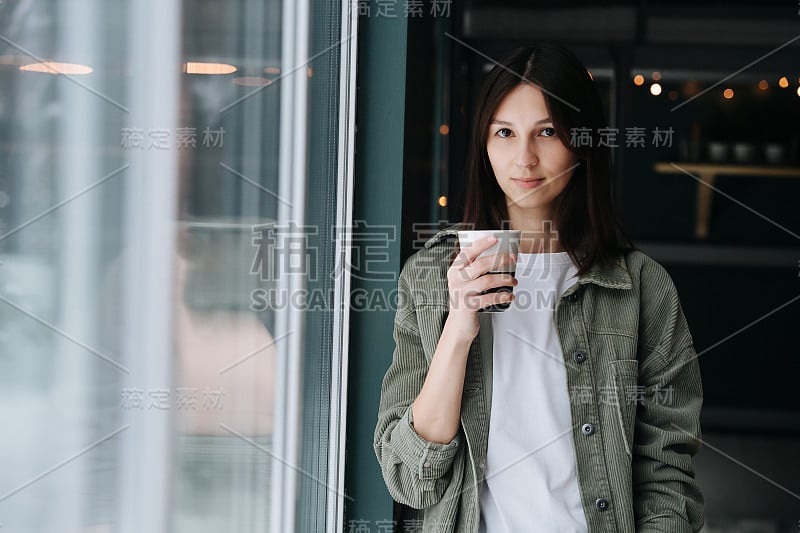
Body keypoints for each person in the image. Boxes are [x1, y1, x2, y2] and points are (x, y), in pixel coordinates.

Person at [374, 43, 705, 532]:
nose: (524, 158)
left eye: (547, 132)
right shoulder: (429, 277)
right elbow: (409, 479)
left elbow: (666, 474)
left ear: (582, 142)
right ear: (484, 145)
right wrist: (458, 328)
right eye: (504, 132)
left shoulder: (640, 288)